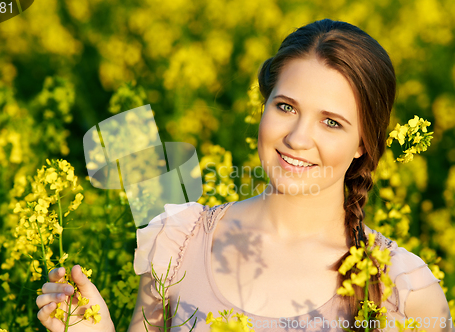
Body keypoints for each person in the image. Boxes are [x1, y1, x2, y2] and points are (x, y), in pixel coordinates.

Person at [36, 19, 453, 332]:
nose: (297, 137)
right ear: (264, 106)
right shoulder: (179, 241)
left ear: (363, 143)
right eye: (286, 107)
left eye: (331, 122)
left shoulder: (403, 291)